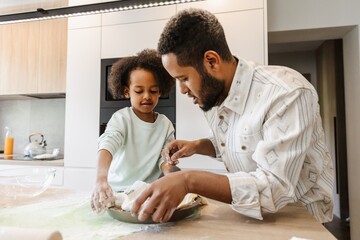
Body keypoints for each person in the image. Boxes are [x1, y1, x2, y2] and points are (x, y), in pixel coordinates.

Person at [131, 8, 334, 224]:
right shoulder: (216, 94)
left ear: (211, 61)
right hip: (253, 219)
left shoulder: (286, 92)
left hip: (301, 221)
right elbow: (242, 142)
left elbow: (273, 188)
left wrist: (188, 180)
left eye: (184, 78)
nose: (181, 90)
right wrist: (198, 145)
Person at [91, 49, 176, 213]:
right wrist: (101, 179)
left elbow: (164, 160)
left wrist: (174, 177)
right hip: (117, 194)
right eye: (139, 91)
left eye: (153, 91)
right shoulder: (122, 119)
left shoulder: (165, 125)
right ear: (126, 91)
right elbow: (107, 145)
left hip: (147, 195)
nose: (147, 96)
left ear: (160, 91)